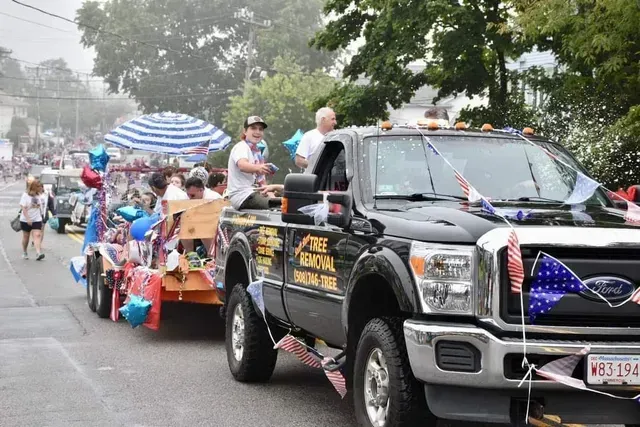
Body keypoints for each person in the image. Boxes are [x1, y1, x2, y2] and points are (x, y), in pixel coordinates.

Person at [226, 116, 281, 210]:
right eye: (253, 128)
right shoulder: (241, 147)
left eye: (260, 129)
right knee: (277, 206)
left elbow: (263, 185)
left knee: (282, 204)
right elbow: (242, 165)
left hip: (252, 194)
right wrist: (258, 168)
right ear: (245, 131)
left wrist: (274, 199)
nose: (257, 132)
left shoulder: (257, 153)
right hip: (242, 196)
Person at [295, 107, 337, 171]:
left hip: (336, 178)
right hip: (316, 179)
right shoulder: (309, 136)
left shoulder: (337, 136)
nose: (335, 122)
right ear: (323, 119)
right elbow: (299, 160)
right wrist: (317, 166)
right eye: (333, 119)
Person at [19, 179, 46, 260]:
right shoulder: (25, 195)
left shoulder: (40, 195)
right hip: (25, 219)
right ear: (34, 187)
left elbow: (42, 206)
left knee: (37, 235)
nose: (41, 188)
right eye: (39, 187)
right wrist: (28, 219)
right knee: (26, 237)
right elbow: (23, 207)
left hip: (37, 218)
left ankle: (38, 253)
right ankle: (24, 252)